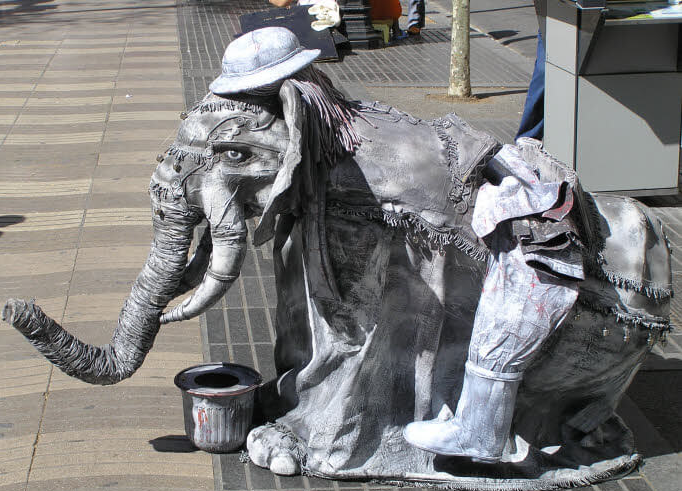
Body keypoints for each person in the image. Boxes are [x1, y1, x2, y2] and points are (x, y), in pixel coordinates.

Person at [211, 27, 583, 464]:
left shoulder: (351, 151)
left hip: (520, 217)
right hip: (492, 187)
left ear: (286, 95)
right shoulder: (343, 118)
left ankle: (481, 431)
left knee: (514, 303)